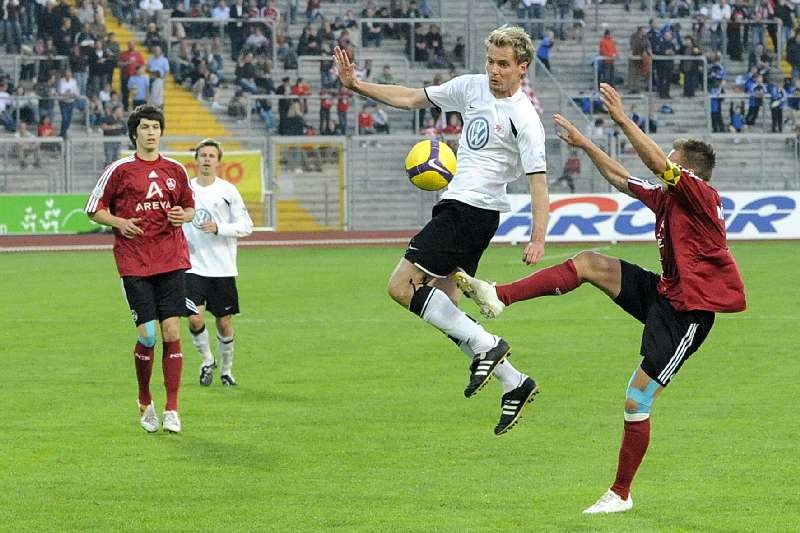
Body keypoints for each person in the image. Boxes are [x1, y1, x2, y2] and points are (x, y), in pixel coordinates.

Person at [455, 83, 746, 512]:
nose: (665, 161)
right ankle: (499, 295)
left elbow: (655, 163)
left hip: (689, 312)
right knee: (590, 263)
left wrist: (623, 119)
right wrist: (586, 143)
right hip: (665, 292)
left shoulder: (700, 194)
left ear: (687, 169)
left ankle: (621, 493)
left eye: (672, 158)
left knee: (636, 400)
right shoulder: (670, 197)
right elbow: (622, 179)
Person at [332, 24, 550, 435]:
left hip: (471, 211)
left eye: (504, 64)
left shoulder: (525, 119)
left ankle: (489, 345)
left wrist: (538, 237)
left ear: (523, 67)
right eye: (490, 61)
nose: (494, 71)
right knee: (446, 304)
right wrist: (357, 85)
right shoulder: (471, 87)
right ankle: (514, 381)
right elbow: (411, 98)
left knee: (401, 286)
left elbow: (538, 181)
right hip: (462, 209)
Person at [84, 104, 196, 434]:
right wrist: (119, 222)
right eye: (145, 127)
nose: (151, 132)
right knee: (147, 335)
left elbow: (189, 207)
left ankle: (172, 408)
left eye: (155, 127)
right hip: (134, 261)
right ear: (134, 133)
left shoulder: (175, 169)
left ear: (161, 132)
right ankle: (145, 399)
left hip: (171, 258)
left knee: (172, 332)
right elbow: (93, 209)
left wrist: (184, 216)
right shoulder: (119, 170)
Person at [184, 138, 253, 387]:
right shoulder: (185, 190)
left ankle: (226, 370)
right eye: (203, 155)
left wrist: (219, 228)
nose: (207, 159)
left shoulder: (228, 191)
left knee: (223, 322)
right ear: (196, 160)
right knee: (194, 318)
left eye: (211, 156)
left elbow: (246, 226)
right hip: (192, 267)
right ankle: (206, 360)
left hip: (222, 268)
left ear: (218, 162)